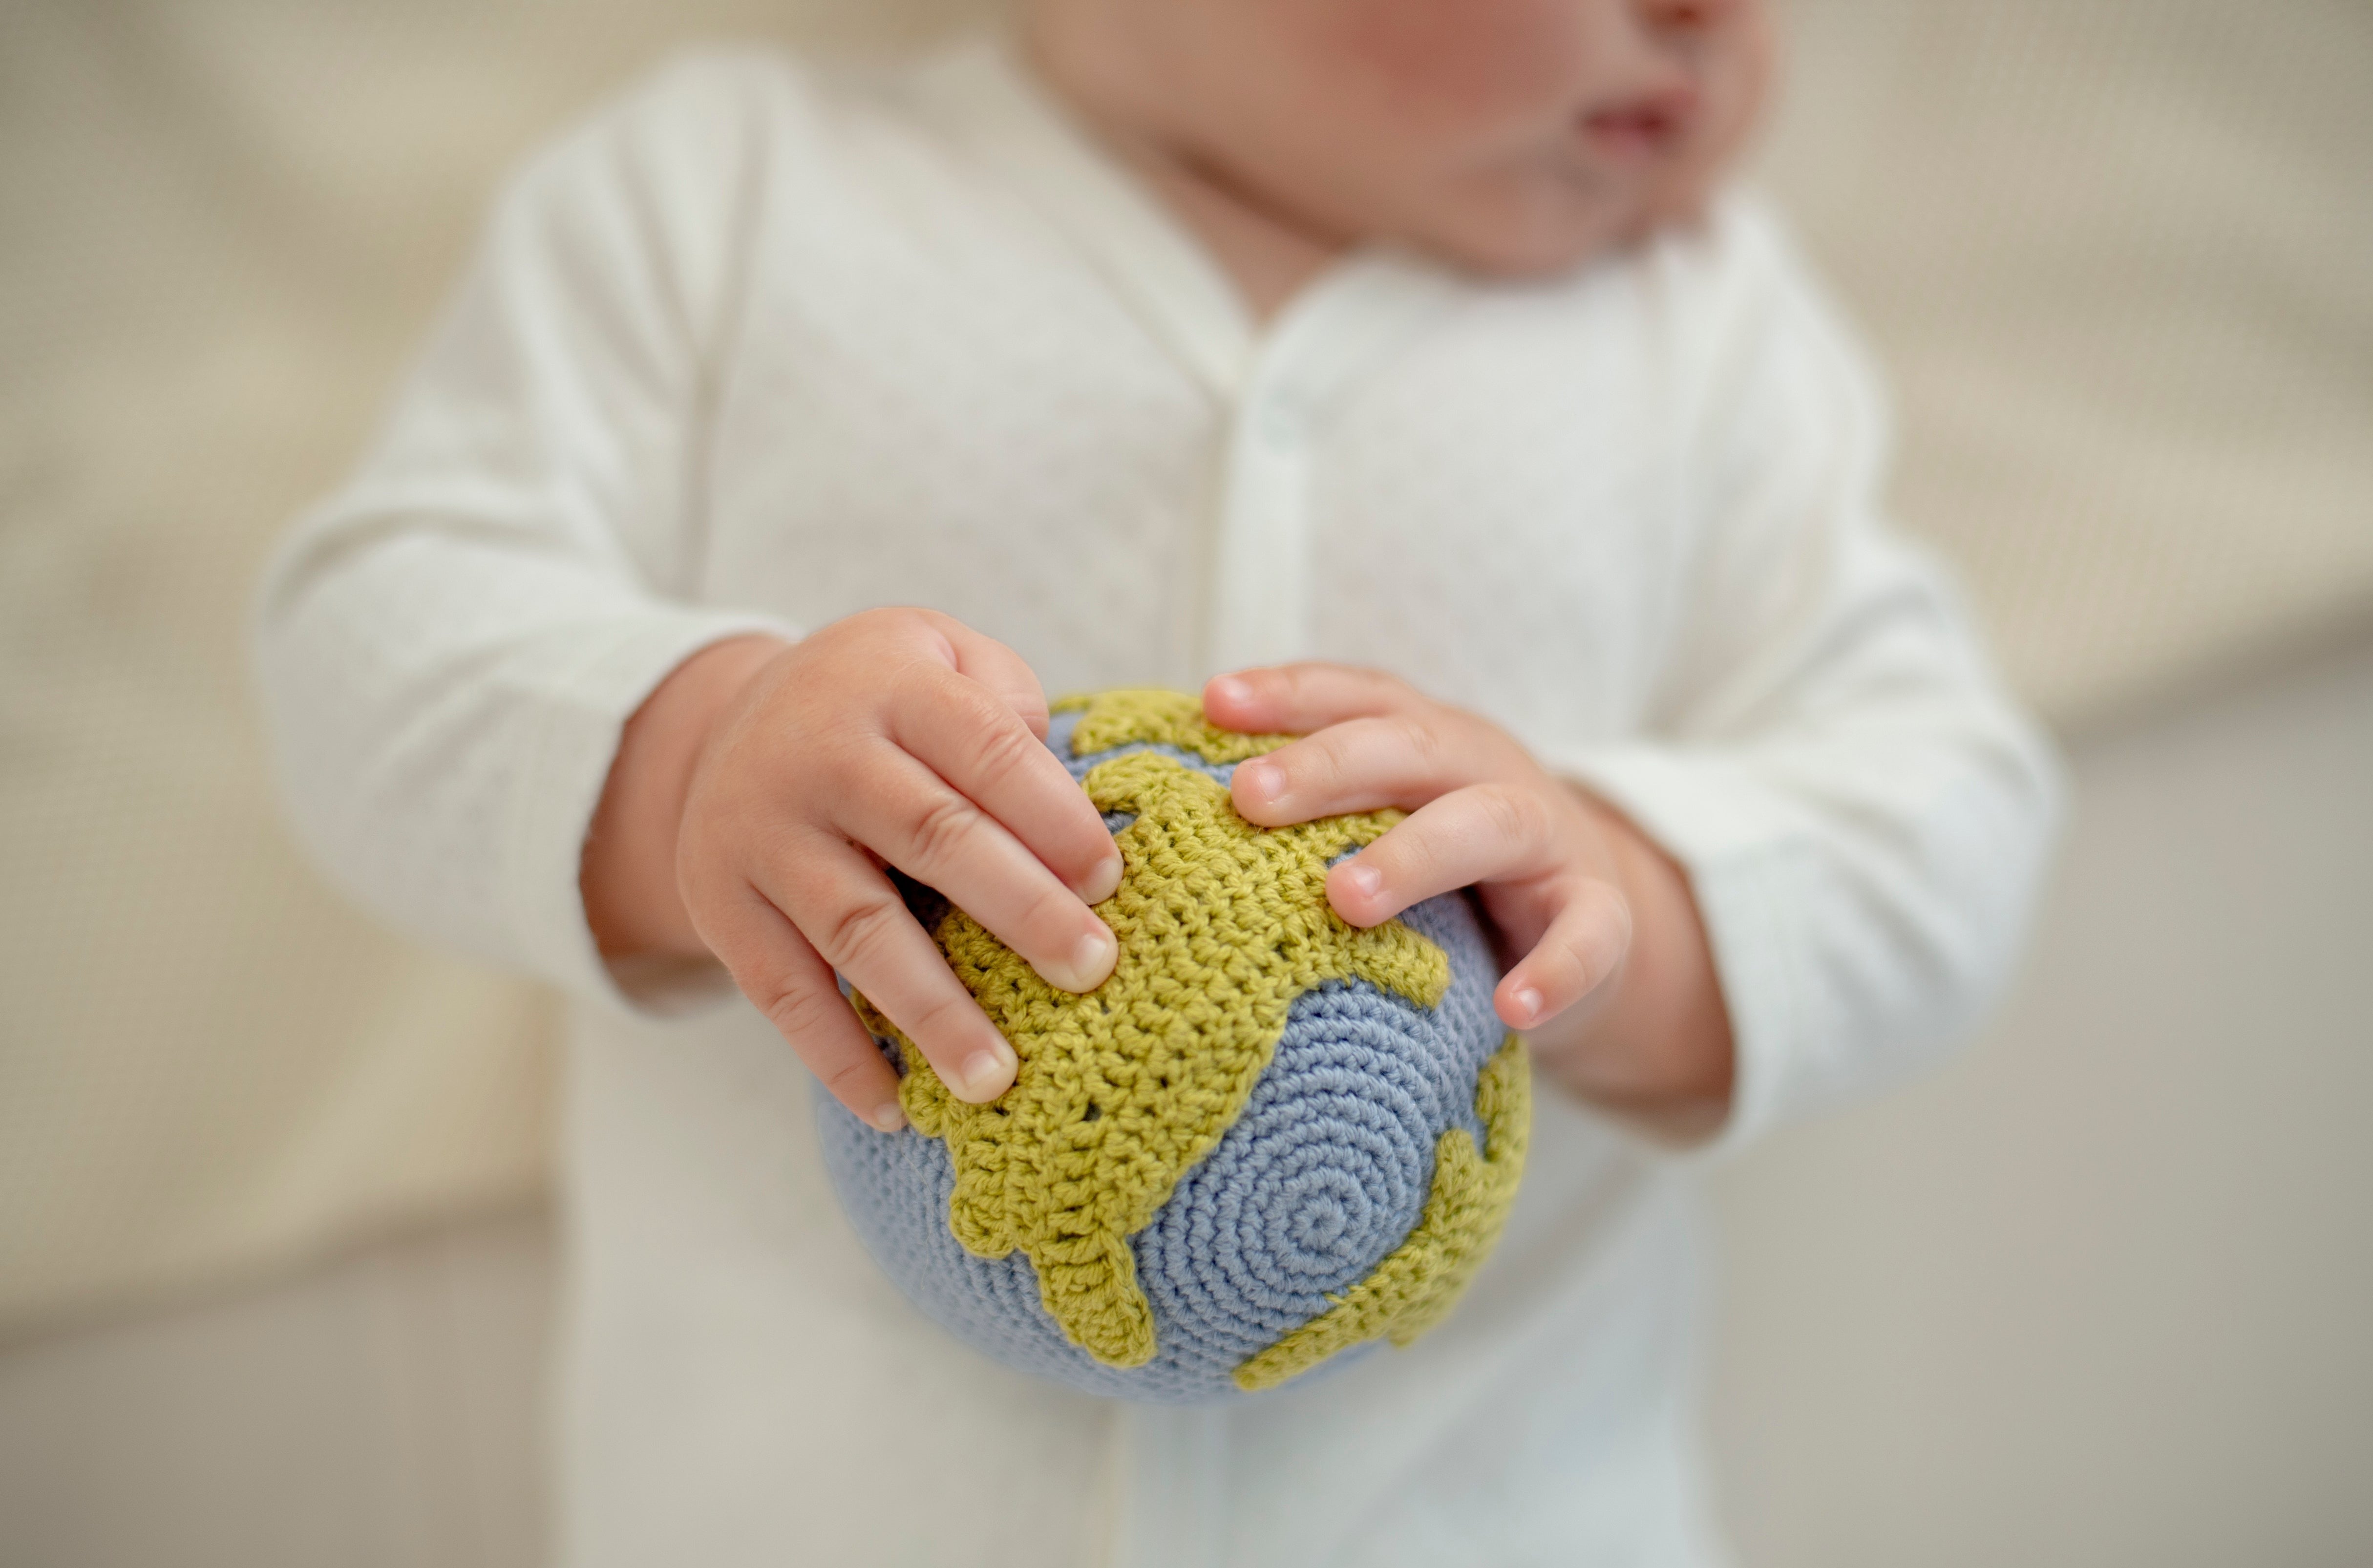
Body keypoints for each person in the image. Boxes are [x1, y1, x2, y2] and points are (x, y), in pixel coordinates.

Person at [254, 0, 2060, 1562]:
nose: (1718, 16)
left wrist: (1630, 906)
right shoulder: (726, 194)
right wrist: (694, 763)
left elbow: (1945, 810)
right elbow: (373, 635)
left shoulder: (1701, 328)